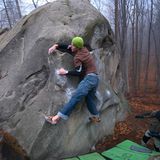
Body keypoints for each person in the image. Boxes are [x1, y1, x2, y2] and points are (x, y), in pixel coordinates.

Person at [46, 36, 100, 124]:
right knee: (89, 99)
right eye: (71, 43)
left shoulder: (78, 57)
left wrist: (65, 72)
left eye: (73, 45)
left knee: (76, 97)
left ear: (77, 47)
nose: (71, 46)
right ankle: (96, 117)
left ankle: (55, 118)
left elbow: (80, 72)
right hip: (95, 79)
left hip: (89, 79)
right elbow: (66, 46)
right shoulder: (83, 49)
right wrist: (55, 46)